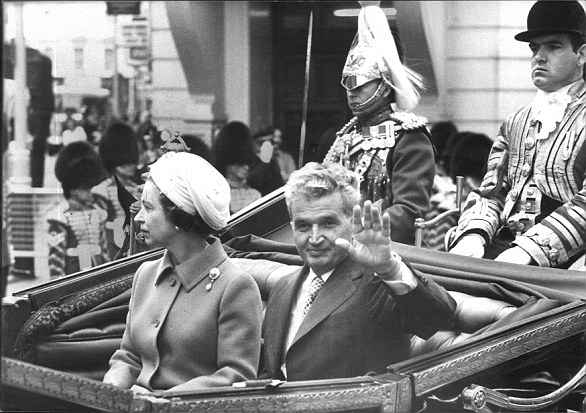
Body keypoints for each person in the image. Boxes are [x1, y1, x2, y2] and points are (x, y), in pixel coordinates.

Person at [260, 162, 456, 381]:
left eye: (327, 223)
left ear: (353, 223)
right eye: (304, 226)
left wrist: (388, 267)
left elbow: (437, 318)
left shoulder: (375, 281)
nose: (314, 238)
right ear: (292, 227)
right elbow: (271, 374)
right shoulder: (282, 287)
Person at [103, 151, 262, 393]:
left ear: (178, 214)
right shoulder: (145, 275)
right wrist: (112, 389)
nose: (139, 217)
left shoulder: (236, 286)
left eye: (148, 207)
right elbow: (129, 356)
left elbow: (235, 377)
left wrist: (160, 403)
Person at [448, 0, 586, 269]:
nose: (539, 56)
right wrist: (473, 235)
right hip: (504, 252)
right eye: (535, 48)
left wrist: (529, 250)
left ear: (581, 55)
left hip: (567, 265)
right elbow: (491, 193)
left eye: (553, 46)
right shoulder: (515, 123)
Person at [323, 2, 435, 246]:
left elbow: (407, 212)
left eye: (361, 84)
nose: (351, 92)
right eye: (348, 84)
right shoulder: (347, 134)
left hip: (386, 248)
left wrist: (353, 234)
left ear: (384, 85)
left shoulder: (408, 137)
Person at [47, 141, 111, 278]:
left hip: (97, 279)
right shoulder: (60, 219)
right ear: (74, 190)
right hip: (73, 278)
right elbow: (55, 261)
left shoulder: (97, 215)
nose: (90, 193)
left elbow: (104, 252)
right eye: (86, 189)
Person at [94, 122, 141, 257]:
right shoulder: (101, 192)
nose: (131, 165)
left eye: (132, 161)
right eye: (126, 162)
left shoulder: (139, 189)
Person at [211, 121, 263, 214]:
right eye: (240, 163)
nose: (247, 167)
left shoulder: (254, 194)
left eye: (248, 162)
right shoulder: (215, 193)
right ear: (228, 160)